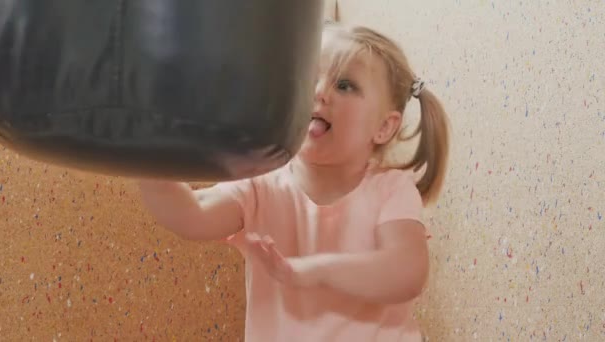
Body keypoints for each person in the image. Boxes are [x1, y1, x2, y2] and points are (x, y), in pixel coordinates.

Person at [138, 22, 450, 342]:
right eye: (310, 77)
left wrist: (319, 271)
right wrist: (149, 166)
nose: (319, 91)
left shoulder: (391, 190)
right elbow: (192, 215)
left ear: (384, 127)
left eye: (344, 85)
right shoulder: (261, 182)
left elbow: (407, 273)